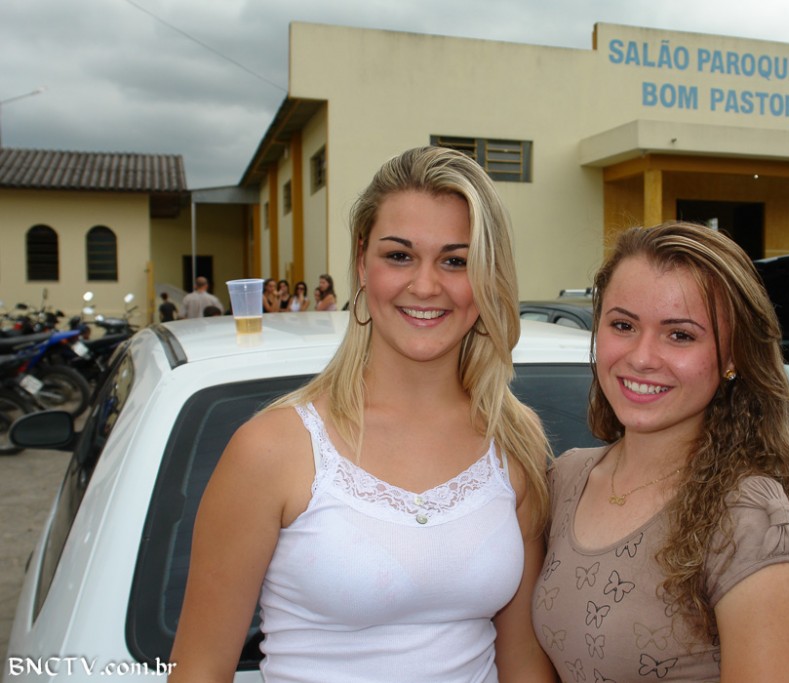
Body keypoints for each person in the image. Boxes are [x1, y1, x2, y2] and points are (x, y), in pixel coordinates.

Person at [169, 146, 555, 682]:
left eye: (456, 261)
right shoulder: (273, 448)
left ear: (488, 276)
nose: (426, 285)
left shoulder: (513, 437)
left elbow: (523, 660)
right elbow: (199, 669)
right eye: (399, 256)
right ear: (360, 264)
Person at [532, 222, 789, 681]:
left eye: (680, 335)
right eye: (623, 325)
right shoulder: (566, 478)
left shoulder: (747, 514)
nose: (642, 357)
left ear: (733, 356)